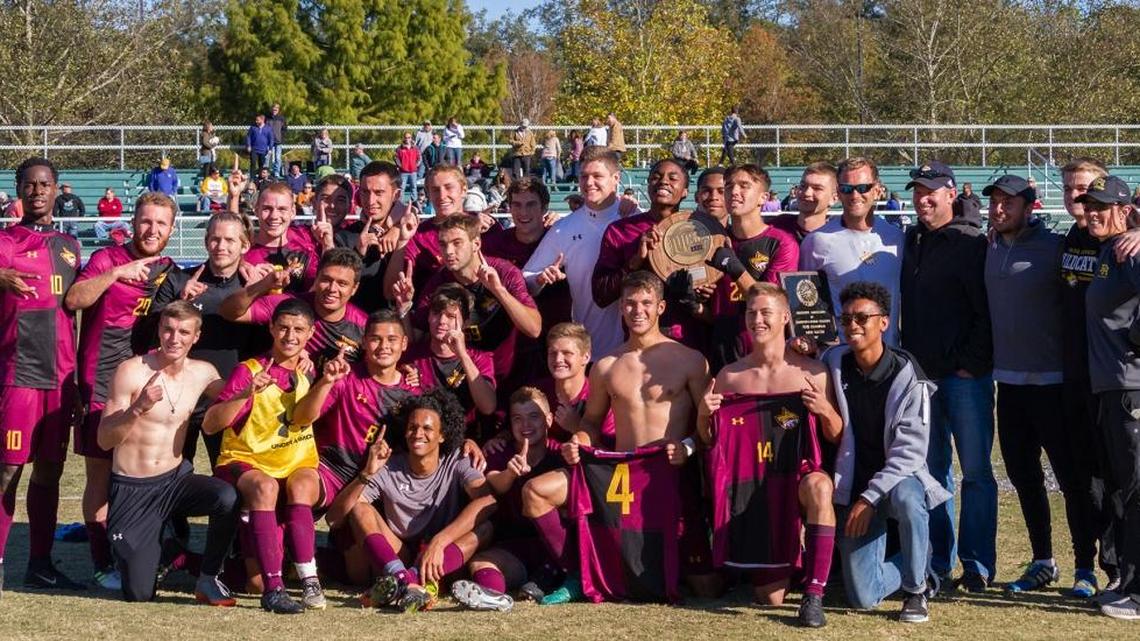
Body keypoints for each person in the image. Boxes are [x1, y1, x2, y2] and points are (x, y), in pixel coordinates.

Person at [522, 272, 715, 605]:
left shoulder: (690, 360)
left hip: (673, 478)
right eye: (629, 303)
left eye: (645, 303)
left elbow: (709, 428)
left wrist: (687, 447)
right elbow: (593, 423)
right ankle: (578, 575)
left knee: (705, 587)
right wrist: (578, 440)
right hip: (624, 482)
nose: (637, 310)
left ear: (661, 307)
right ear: (620, 309)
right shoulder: (607, 365)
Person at [698, 282, 841, 627]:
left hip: (797, 478)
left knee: (820, 487)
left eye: (765, 313)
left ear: (785, 318)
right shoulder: (730, 376)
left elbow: (835, 434)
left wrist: (824, 409)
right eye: (750, 313)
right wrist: (703, 414)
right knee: (770, 598)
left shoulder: (812, 372)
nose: (756, 320)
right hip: (753, 487)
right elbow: (708, 440)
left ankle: (814, 594)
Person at [983, 174, 1099, 596]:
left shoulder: (1055, 249)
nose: (999, 209)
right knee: (1025, 479)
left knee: (1072, 481)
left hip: (1055, 384)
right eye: (994, 201)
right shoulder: (988, 245)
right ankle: (1042, 561)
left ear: (1030, 206)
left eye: (1008, 203)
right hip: (1008, 385)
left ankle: (1085, 568)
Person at [66, 191, 178, 589]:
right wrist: (115, 274)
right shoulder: (106, 258)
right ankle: (101, 563)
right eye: (146, 221)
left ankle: (140, 551)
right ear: (133, 222)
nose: (152, 229)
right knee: (98, 474)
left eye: (161, 224)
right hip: (98, 381)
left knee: (137, 472)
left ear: (171, 229)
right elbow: (74, 298)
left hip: (142, 385)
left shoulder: (169, 270)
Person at [822, 281, 949, 623]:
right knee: (863, 598)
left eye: (862, 318)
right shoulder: (833, 361)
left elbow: (909, 456)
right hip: (855, 485)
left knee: (909, 499)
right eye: (845, 319)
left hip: (896, 482)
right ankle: (921, 562)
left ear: (884, 322)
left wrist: (868, 499)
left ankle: (916, 589)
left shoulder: (908, 376)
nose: (853, 326)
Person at [99, 302, 237, 605]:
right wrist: (137, 408)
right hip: (133, 488)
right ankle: (172, 551)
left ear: (196, 336)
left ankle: (208, 577)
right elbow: (105, 439)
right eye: (168, 330)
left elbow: (237, 395)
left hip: (174, 481)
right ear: (159, 331)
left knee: (226, 497)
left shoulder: (203, 373)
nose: (175, 338)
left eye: (184, 332)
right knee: (139, 594)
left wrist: (277, 368)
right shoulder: (132, 371)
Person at [900, 161, 995, 592]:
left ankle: (976, 564)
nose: (924, 198)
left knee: (975, 472)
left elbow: (986, 310)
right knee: (932, 473)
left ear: (951, 192)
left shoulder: (972, 241)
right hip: (923, 378)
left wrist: (968, 362)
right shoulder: (912, 238)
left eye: (932, 190)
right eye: (919, 190)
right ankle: (939, 559)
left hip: (963, 378)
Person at [203, 297, 326, 614]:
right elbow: (211, 423)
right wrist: (246, 394)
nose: (290, 336)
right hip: (246, 461)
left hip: (295, 463)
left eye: (299, 329)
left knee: (303, 483)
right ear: (271, 328)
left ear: (311, 333)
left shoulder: (309, 370)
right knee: (266, 488)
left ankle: (309, 579)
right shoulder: (249, 370)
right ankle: (274, 591)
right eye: (283, 328)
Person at [324, 388, 496, 612]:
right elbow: (333, 519)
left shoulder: (458, 459)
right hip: (398, 554)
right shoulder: (390, 464)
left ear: (442, 435)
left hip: (439, 557)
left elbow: (487, 500)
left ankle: (409, 580)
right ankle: (402, 579)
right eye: (412, 427)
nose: (418, 434)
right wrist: (366, 473)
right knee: (359, 509)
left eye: (427, 428)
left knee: (486, 528)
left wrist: (440, 540)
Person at [0, 158, 85, 592]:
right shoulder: (5, 241)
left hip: (61, 376)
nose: (37, 191)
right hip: (18, 373)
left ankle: (40, 562)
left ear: (56, 190)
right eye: (29, 184)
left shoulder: (70, 244)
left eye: (45, 184)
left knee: (50, 469)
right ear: (18, 190)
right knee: (7, 471)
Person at [1059, 157, 1123, 598]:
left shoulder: (1123, 242)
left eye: (1084, 189)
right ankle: (1095, 566)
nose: (1077, 199)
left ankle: (1121, 567)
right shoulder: (1069, 237)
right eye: (1070, 190)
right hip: (1076, 376)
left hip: (1117, 376)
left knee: (1121, 476)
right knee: (1085, 478)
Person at [150, 212, 257, 469]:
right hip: (178, 399)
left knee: (230, 483)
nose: (221, 247)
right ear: (206, 241)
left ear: (245, 245)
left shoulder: (253, 286)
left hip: (229, 398)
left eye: (230, 240)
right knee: (171, 480)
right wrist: (180, 304)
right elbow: (149, 333)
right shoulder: (179, 281)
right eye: (215, 239)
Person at [1080, 174, 1140, 620]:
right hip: (1110, 387)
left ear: (1125, 210)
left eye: (1102, 205)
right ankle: (1127, 582)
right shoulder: (1108, 250)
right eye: (1088, 204)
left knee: (1138, 488)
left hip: (1131, 386)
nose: (1092, 212)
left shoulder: (1131, 250)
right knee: (1124, 490)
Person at [291, 309, 418, 516]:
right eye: (376, 339)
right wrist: (326, 382)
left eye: (391, 339)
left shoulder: (415, 395)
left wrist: (470, 442)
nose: (384, 346)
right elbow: (302, 419)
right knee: (299, 487)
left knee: (361, 522)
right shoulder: (345, 376)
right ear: (364, 342)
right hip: (331, 469)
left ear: (404, 344)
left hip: (378, 481)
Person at [453, 387, 564, 611]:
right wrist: (511, 472)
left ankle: (559, 574)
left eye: (534, 417)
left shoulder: (560, 454)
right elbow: (495, 484)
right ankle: (494, 598)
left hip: (557, 549)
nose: (526, 426)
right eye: (518, 419)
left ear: (549, 420)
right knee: (480, 562)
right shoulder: (499, 452)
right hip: (516, 546)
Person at [522, 147, 629, 360]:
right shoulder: (564, 228)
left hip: (634, 354)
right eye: (584, 176)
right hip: (589, 353)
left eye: (597, 176)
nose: (589, 183)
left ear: (616, 178)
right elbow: (526, 280)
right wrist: (542, 278)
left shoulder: (634, 218)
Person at [406, 214, 540, 383]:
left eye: (457, 243)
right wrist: (403, 306)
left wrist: (499, 291)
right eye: (443, 244)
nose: (449, 252)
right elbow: (415, 340)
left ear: (476, 243)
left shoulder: (504, 272)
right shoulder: (438, 283)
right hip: (466, 379)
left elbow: (534, 329)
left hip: (510, 374)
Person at [592, 158, 705, 350]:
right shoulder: (621, 231)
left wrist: (703, 293)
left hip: (690, 344)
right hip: (639, 347)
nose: (663, 182)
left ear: (686, 191)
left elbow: (713, 290)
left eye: (673, 178)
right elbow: (601, 295)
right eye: (656, 177)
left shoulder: (700, 230)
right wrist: (635, 261)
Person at [799, 157, 904, 346]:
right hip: (838, 358)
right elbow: (806, 307)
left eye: (863, 188)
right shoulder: (816, 241)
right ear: (838, 192)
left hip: (889, 356)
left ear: (877, 190)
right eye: (847, 189)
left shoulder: (897, 239)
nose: (855, 195)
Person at [706, 164, 798, 373]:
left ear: (763, 198)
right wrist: (695, 304)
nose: (734, 192)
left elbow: (768, 302)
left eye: (744, 185)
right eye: (728, 186)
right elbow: (714, 311)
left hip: (765, 354)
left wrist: (733, 267)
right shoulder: (713, 241)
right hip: (722, 351)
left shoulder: (782, 242)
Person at [220, 247, 368, 369]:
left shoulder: (364, 326)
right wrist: (263, 285)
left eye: (342, 283)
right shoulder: (290, 305)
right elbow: (229, 312)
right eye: (326, 280)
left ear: (354, 288)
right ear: (316, 278)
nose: (332, 289)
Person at [400, 285, 497, 427]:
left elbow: (488, 407)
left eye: (451, 316)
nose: (442, 321)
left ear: (466, 322)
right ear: (428, 316)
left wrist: (463, 355)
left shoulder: (480, 358)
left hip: (463, 438)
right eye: (436, 313)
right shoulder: (412, 356)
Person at [383, 164, 468, 299]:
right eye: (435, 190)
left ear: (464, 190)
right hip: (433, 313)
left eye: (449, 187)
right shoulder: (418, 235)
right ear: (428, 194)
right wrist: (402, 241)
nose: (442, 195)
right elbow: (390, 292)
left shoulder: (485, 226)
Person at [332, 161, 406, 312]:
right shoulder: (344, 238)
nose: (370, 201)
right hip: (357, 327)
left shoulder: (410, 233)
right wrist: (358, 254)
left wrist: (398, 228)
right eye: (365, 192)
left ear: (396, 194)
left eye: (379, 193)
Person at [230, 182, 321, 294]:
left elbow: (319, 290)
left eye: (282, 209)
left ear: (292, 212)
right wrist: (233, 197)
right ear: (256, 210)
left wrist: (328, 246)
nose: (274, 216)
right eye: (267, 209)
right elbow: (231, 231)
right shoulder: (243, 254)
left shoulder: (305, 245)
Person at [533, 322, 615, 444]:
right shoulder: (537, 392)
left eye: (567, 353)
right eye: (553, 353)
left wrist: (578, 428)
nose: (558, 359)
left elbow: (608, 454)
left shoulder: (600, 397)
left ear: (586, 357)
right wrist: (504, 436)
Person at [768, 162, 838, 243]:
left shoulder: (838, 237)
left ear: (834, 198)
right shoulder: (775, 228)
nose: (807, 193)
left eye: (817, 188)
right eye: (803, 186)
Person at [395, 132, 421, 202]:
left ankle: (414, 202)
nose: (407, 139)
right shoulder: (399, 148)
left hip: (413, 172)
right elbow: (396, 158)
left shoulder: (415, 148)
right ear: (404, 138)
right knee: (402, 188)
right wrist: (401, 166)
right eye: (406, 137)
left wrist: (416, 166)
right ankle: (400, 203)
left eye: (409, 137)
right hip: (403, 172)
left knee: (413, 187)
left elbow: (419, 158)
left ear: (411, 138)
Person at [267, 103, 288, 177]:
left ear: (278, 110)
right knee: (267, 158)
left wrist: (281, 138)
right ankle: (266, 173)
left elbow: (285, 129)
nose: (274, 110)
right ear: (271, 109)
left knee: (278, 158)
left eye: (276, 109)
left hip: (278, 141)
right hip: (268, 142)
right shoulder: (267, 118)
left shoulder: (282, 118)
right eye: (273, 109)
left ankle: (276, 173)